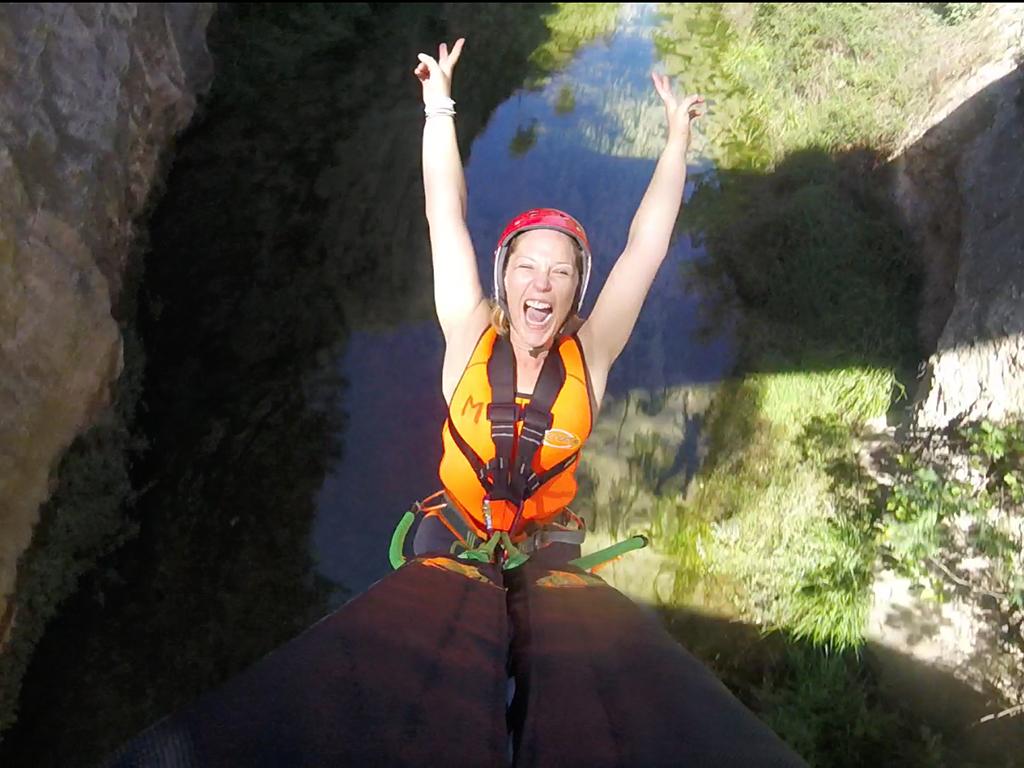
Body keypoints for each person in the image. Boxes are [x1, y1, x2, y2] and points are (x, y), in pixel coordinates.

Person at [412, 37, 704, 561]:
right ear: (504, 278)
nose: (541, 284)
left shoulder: (591, 351)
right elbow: (444, 212)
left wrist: (676, 143)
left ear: (576, 291)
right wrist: (439, 107)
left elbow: (645, 249)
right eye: (526, 267)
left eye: (560, 272)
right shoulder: (469, 328)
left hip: (541, 548)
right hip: (454, 533)